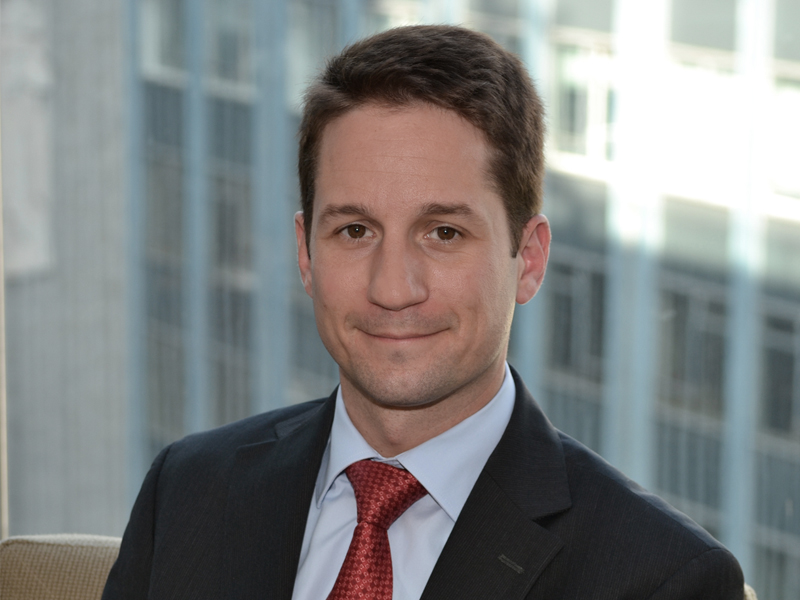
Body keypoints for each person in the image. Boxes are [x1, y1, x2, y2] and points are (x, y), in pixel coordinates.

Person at [103, 25, 745, 600]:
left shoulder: (662, 579)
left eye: (443, 233)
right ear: (305, 253)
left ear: (528, 259)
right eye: (355, 231)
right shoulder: (188, 490)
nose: (393, 287)